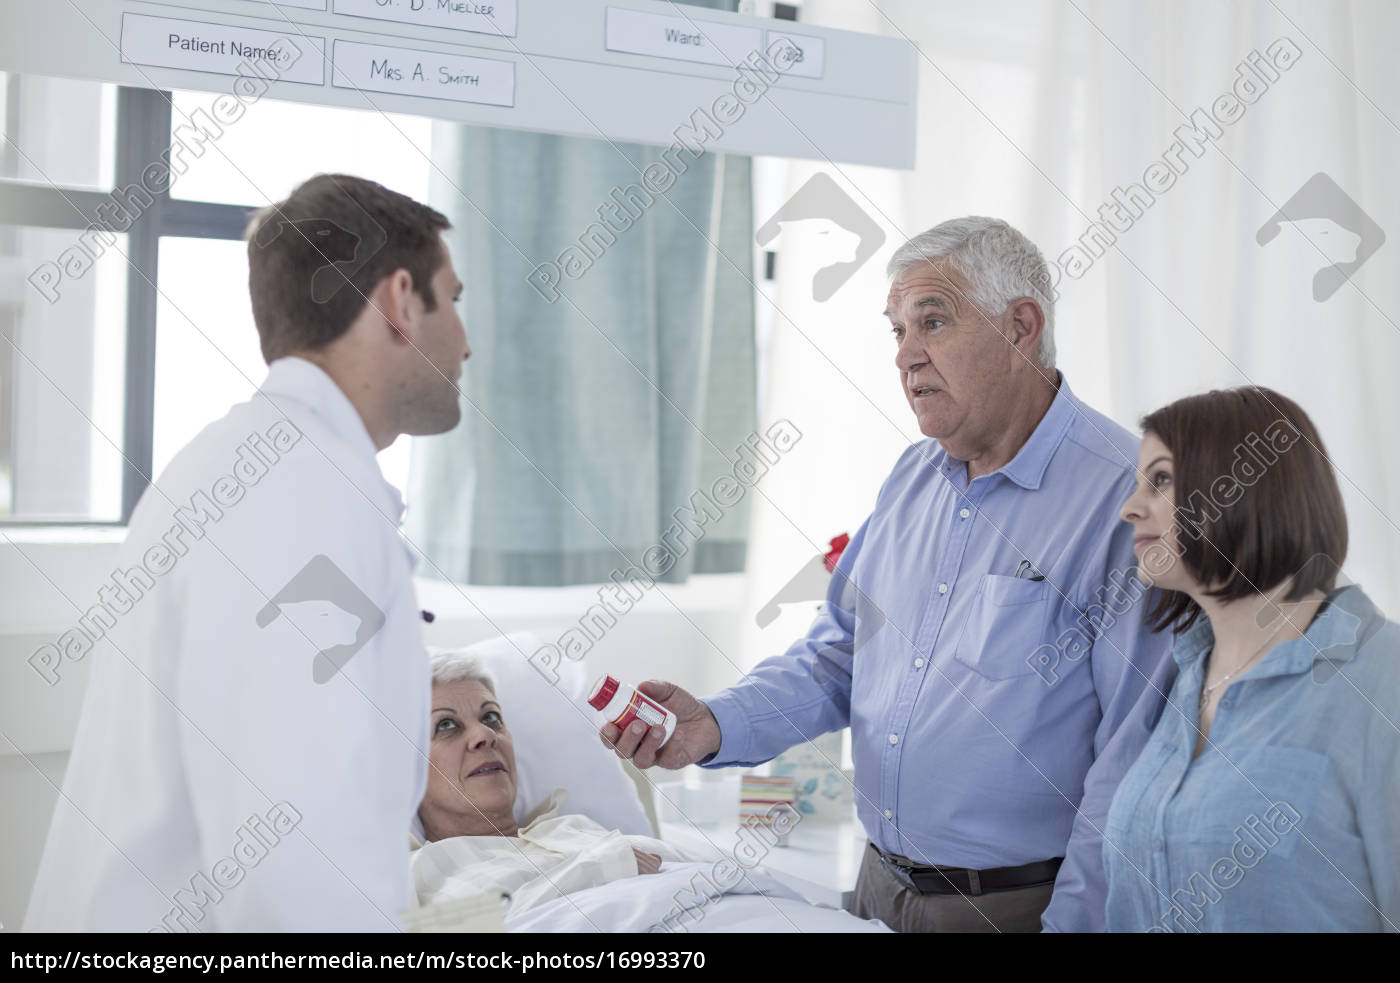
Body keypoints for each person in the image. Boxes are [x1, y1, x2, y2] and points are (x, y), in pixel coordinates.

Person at [601, 217, 1177, 932]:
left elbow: (1133, 757)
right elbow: (837, 655)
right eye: (897, 330)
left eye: (931, 322)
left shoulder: (1128, 498)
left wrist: (1076, 925)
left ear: (1022, 326)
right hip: (878, 890)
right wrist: (715, 723)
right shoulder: (912, 477)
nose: (906, 356)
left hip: (1020, 908)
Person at [24, 174, 470, 932]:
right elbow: (296, 854)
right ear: (400, 300)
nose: (465, 337)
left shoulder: (245, 463)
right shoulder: (305, 491)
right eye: (453, 299)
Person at [1107, 387, 1399, 932]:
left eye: (1162, 479)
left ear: (1246, 490)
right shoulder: (1188, 677)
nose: (1130, 507)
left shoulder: (1382, 680)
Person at [411, 651, 674, 918]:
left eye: (491, 717)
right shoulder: (420, 873)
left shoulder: (574, 827)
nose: (485, 734)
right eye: (445, 725)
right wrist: (596, 868)